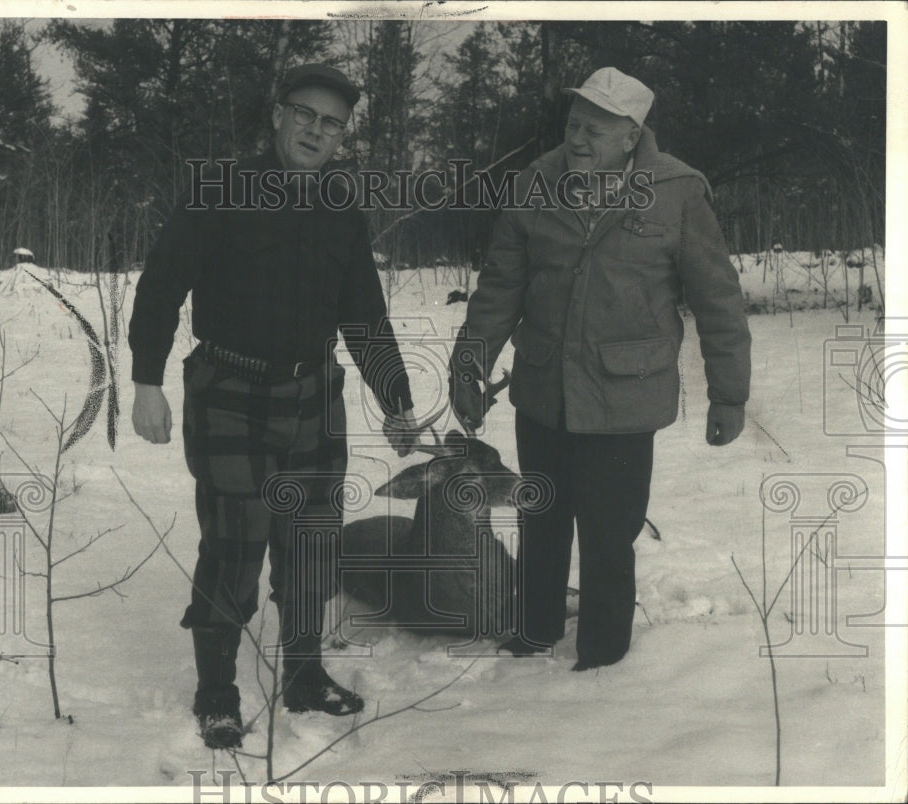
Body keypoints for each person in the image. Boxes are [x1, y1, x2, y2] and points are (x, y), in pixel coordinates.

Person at [129, 63, 418, 749]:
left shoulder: (341, 208)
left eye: (333, 124)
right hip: (230, 393)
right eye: (306, 115)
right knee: (234, 547)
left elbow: (366, 316)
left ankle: (305, 675)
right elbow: (161, 286)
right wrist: (146, 382)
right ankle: (217, 691)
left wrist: (397, 399)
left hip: (314, 393)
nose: (318, 132)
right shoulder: (220, 192)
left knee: (311, 546)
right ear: (278, 116)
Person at [448, 67, 751, 671]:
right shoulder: (537, 182)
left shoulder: (679, 190)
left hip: (624, 399)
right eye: (572, 124)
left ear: (631, 136)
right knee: (543, 522)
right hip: (543, 391)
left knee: (610, 536)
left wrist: (730, 395)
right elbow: (502, 286)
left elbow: (718, 298)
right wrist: (470, 364)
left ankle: (604, 656)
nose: (577, 139)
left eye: (594, 128)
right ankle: (533, 631)